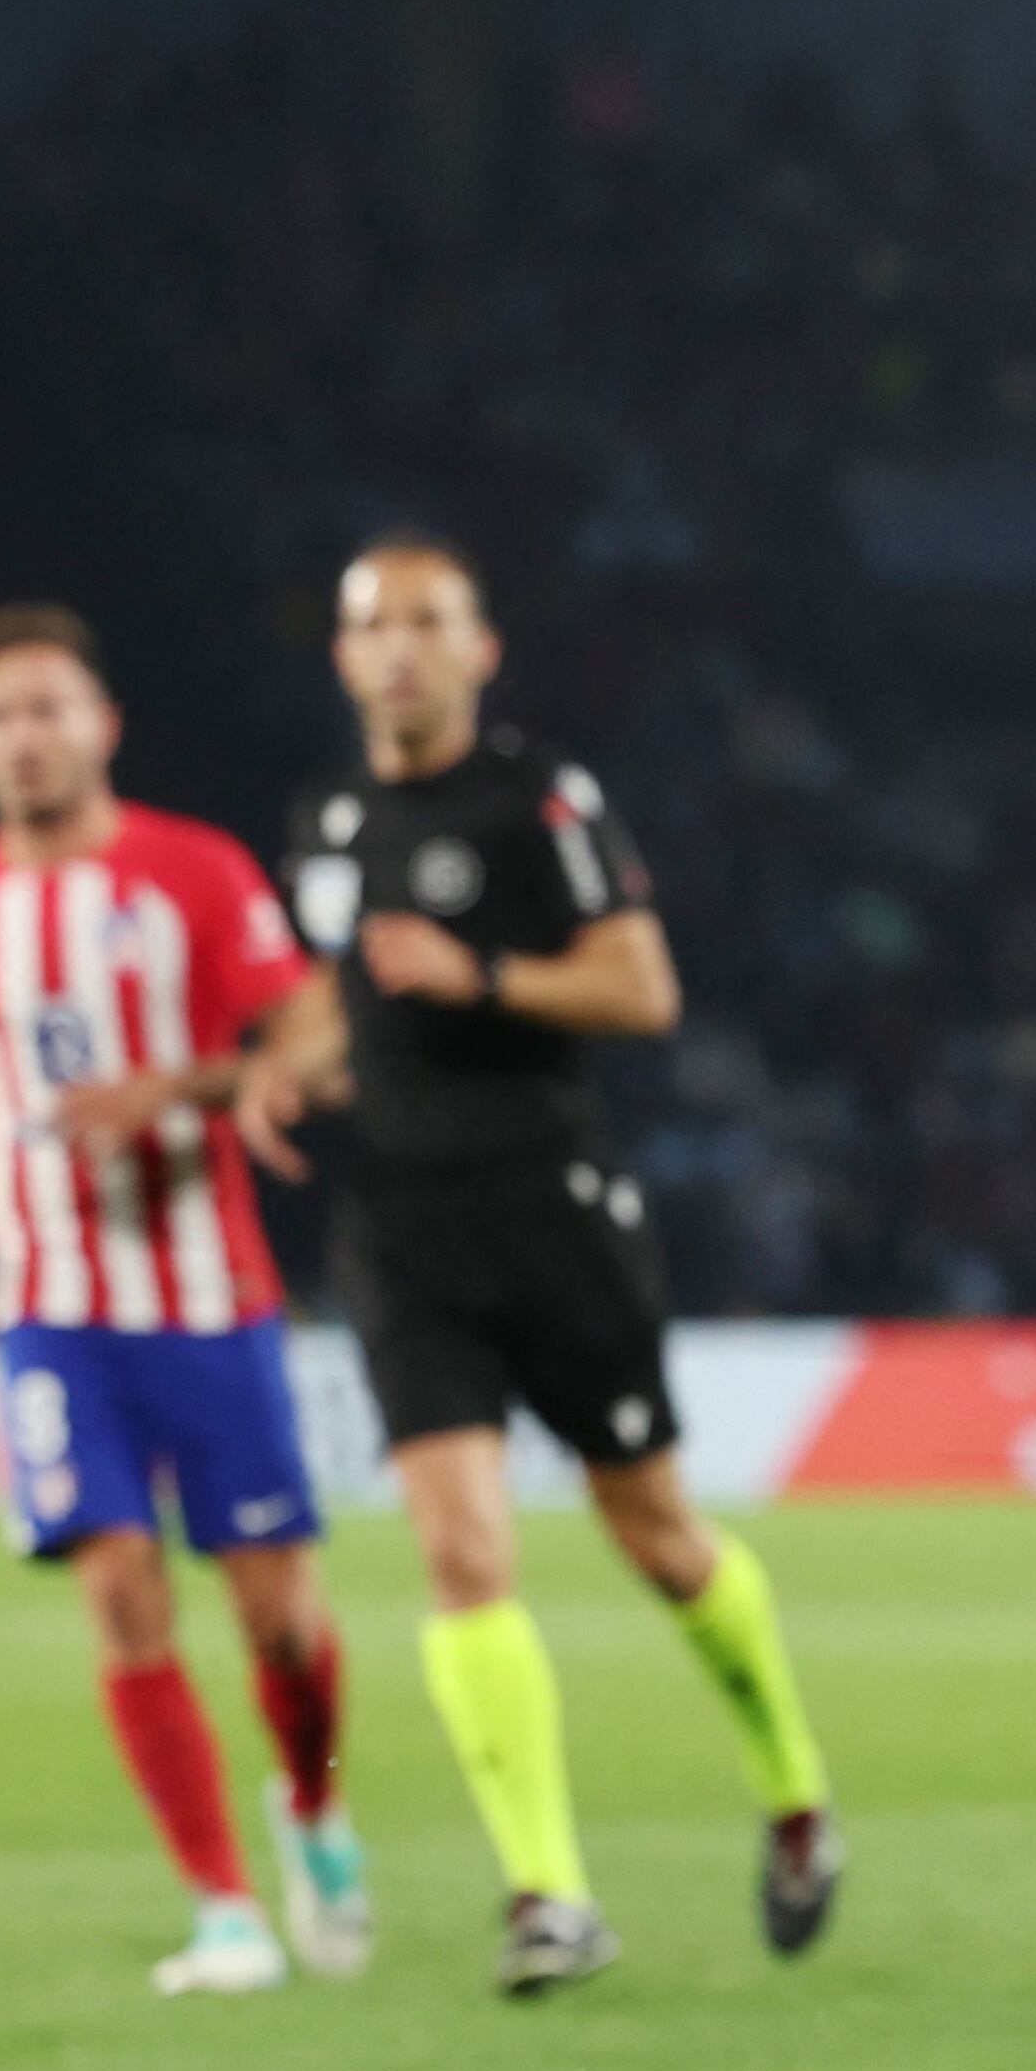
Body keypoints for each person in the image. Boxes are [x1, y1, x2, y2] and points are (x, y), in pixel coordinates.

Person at [279, 535, 838, 1996]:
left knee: (655, 1534)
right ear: (343, 659)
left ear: (480, 649)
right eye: (371, 626)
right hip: (399, 1234)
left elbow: (642, 986)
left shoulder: (541, 799)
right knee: (461, 1551)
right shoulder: (326, 822)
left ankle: (792, 1792)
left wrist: (483, 974)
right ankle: (548, 1893)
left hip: (549, 1207)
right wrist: (278, 1073)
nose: (396, 647)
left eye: (425, 621)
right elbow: (342, 1007)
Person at [0, 602, 366, 1994]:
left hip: (207, 1295)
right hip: (47, 1311)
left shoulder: (192, 873)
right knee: (118, 1588)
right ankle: (221, 1906)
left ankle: (315, 1810)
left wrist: (184, 1088)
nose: (22, 739)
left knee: (278, 1616)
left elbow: (313, 1024)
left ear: (101, 722)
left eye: (46, 709)